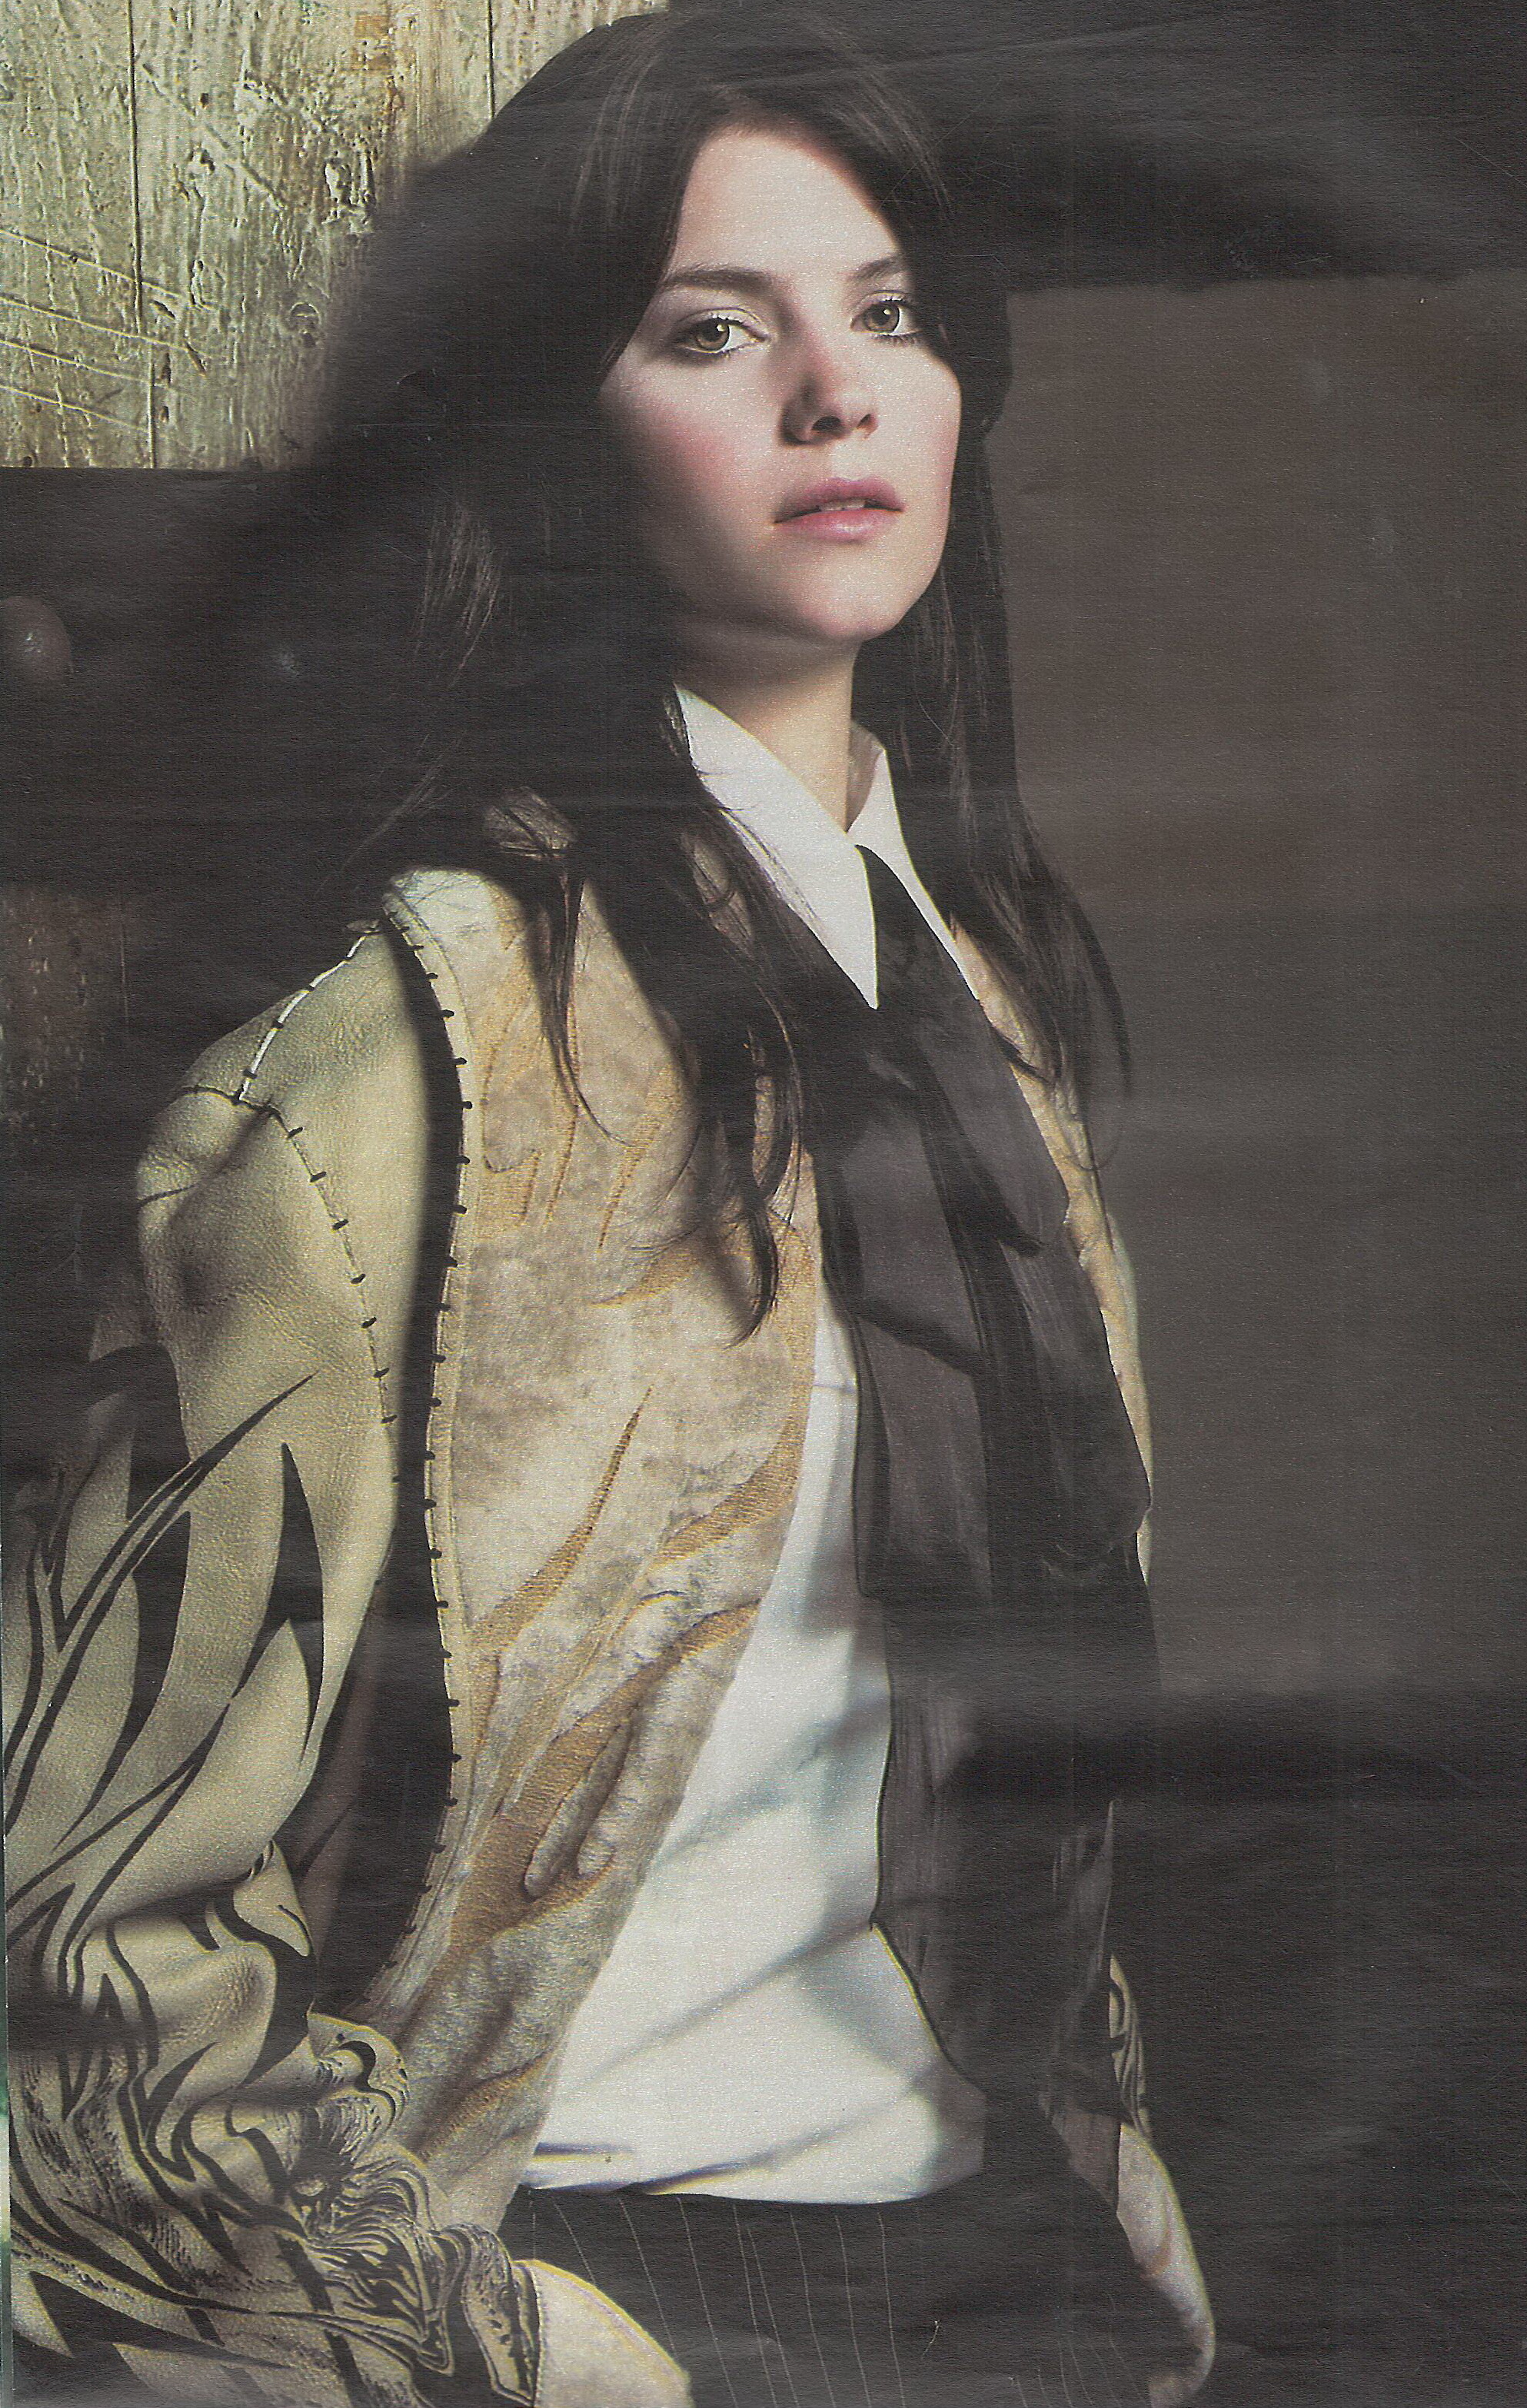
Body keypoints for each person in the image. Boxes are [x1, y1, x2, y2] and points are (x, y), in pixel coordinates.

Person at [4, 7, 1214, 2403]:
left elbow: (1015, 1768)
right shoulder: (401, 1064)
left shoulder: (982, 1006)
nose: (836, 394)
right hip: (600, 2283)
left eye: (888, 312)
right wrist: (493, 2347)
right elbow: (98, 1931)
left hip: (1004, 2268)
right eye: (710, 330)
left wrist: (1119, 2242)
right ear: (565, 422)